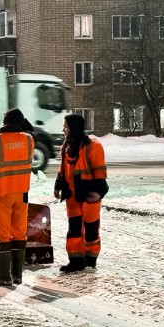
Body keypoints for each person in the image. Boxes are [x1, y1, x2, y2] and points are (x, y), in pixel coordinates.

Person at [0, 108, 35, 286]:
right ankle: (17, 275)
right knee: (19, 232)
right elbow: (28, 131)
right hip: (22, 194)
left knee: (1, 234)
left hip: (0, 193)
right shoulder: (28, 140)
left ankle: (3, 276)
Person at [53, 114, 109, 272]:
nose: (63, 129)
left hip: (89, 195)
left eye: (66, 126)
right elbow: (62, 169)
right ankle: (76, 261)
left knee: (91, 229)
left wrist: (99, 192)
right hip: (72, 195)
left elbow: (100, 172)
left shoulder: (92, 145)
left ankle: (91, 260)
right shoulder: (66, 146)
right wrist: (58, 187)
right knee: (74, 229)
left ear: (73, 128)